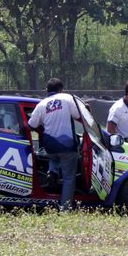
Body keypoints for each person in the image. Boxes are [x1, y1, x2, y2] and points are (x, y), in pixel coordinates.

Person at [28, 78, 80, 209]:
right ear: (61, 89)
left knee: (54, 158)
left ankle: (52, 172)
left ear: (47, 90)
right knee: (69, 177)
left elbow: (31, 124)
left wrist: (42, 129)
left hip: (50, 145)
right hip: (67, 145)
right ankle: (65, 207)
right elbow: (79, 116)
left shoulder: (41, 104)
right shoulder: (67, 98)